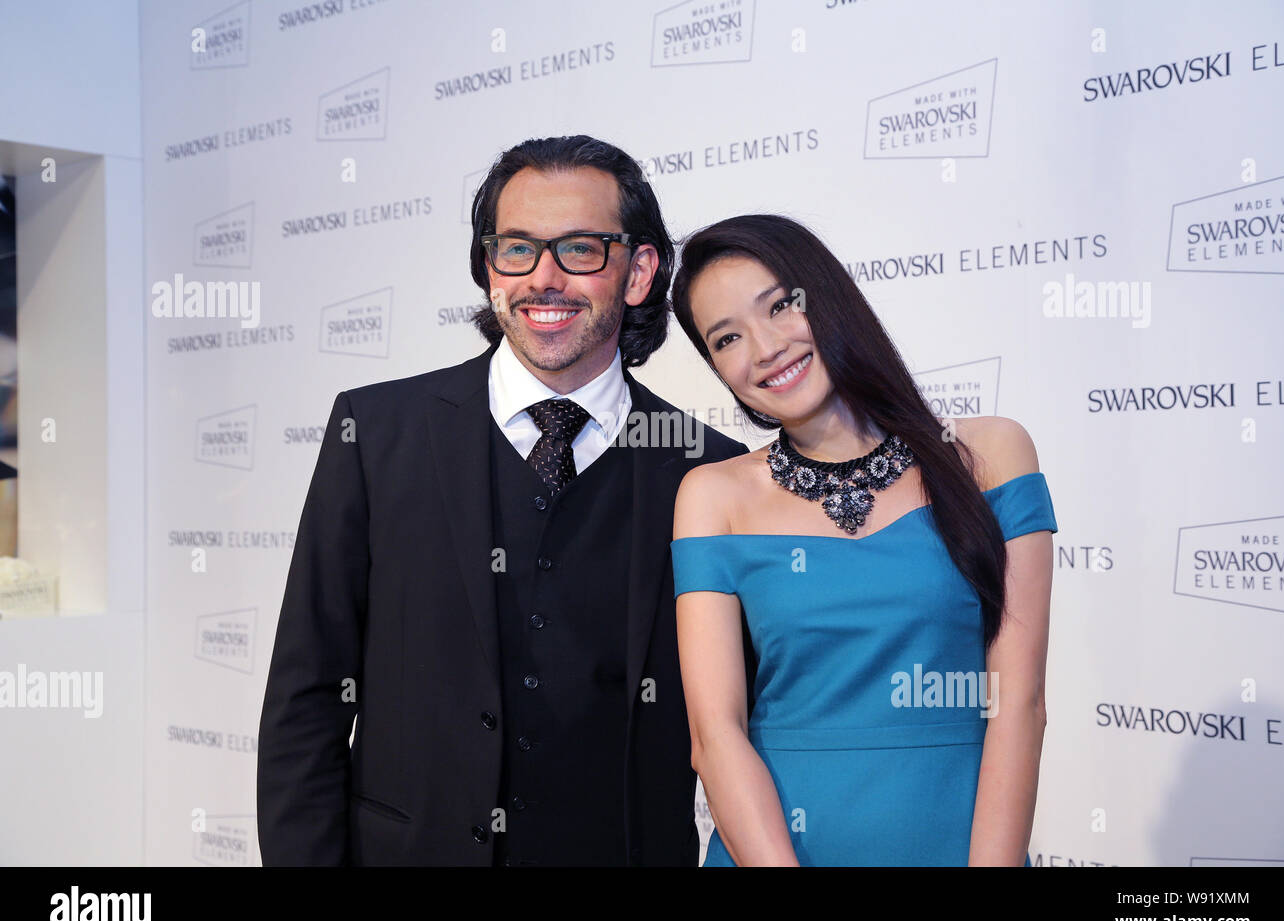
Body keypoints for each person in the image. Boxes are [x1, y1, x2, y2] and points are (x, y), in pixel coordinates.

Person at [256, 135, 747, 866]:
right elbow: (308, 697)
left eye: (580, 249)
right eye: (516, 248)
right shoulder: (375, 433)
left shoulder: (709, 470)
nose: (543, 278)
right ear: (490, 268)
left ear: (639, 271)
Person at [668, 214, 1057, 866]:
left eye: (780, 306)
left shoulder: (989, 456)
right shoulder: (714, 497)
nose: (764, 348)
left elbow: (1019, 703)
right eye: (728, 337)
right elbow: (716, 735)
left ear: (829, 294)